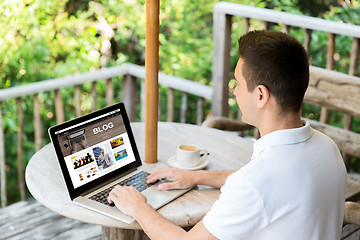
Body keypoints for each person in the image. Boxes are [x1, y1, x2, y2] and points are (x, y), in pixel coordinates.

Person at [108, 30, 347, 239]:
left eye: (238, 83)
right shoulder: (327, 148)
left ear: (261, 95)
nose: (234, 91)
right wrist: (197, 177)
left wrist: (139, 207)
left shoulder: (257, 181)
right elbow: (271, 184)